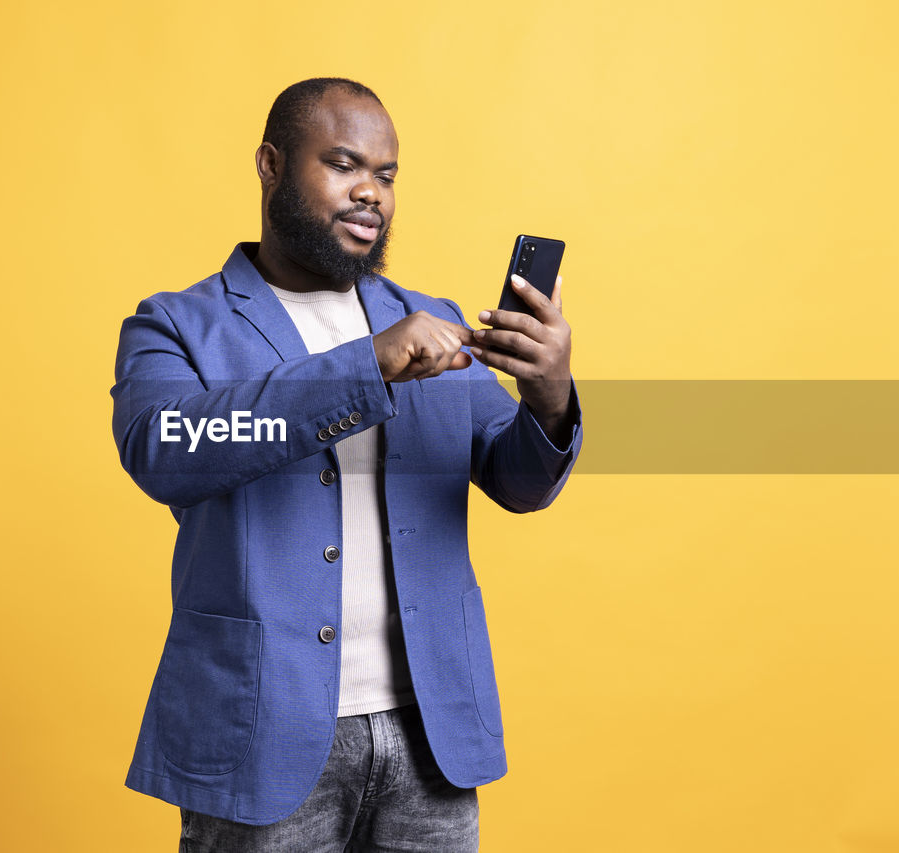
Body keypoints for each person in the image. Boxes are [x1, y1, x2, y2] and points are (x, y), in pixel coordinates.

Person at [110, 77, 583, 852]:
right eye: (342, 164)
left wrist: (550, 393)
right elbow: (166, 449)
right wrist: (366, 367)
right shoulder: (176, 323)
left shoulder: (433, 322)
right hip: (259, 734)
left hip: (430, 736)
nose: (371, 193)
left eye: (387, 175)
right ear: (270, 165)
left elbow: (519, 480)